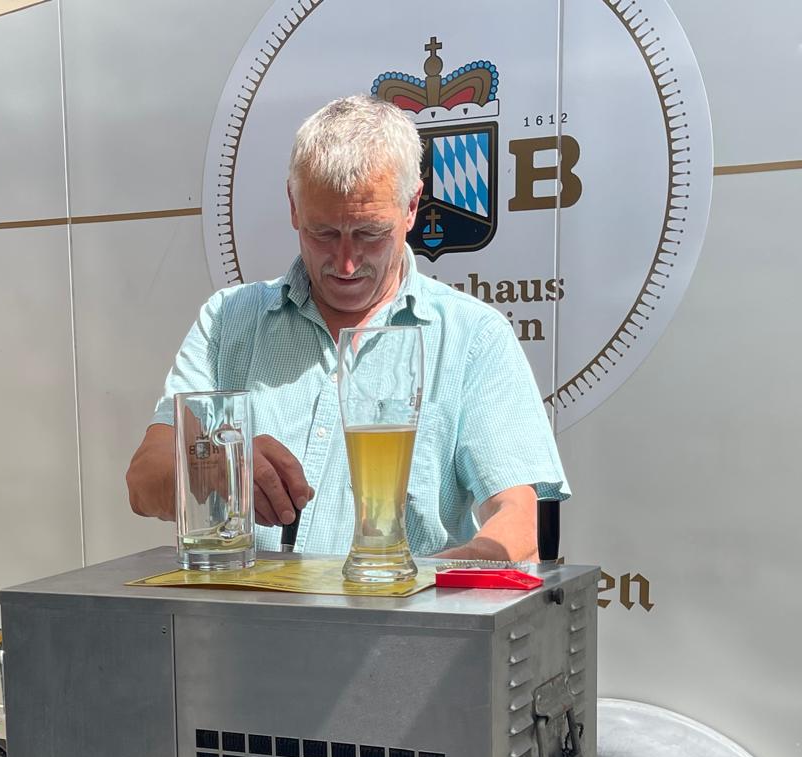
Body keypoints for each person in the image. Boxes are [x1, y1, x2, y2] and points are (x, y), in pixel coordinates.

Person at [126, 95, 567, 561]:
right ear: (293, 205)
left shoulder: (472, 337)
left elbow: (523, 521)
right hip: (248, 608)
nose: (346, 262)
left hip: (409, 608)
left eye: (369, 234)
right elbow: (143, 481)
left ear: (412, 206)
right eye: (323, 233)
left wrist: (420, 583)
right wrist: (219, 468)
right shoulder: (227, 320)